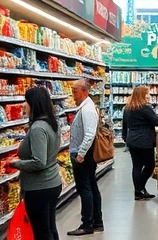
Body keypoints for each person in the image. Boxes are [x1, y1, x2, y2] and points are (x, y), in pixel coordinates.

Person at [10, 87, 63, 240]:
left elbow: (39, 162)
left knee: (41, 232)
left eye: (26, 101)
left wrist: (16, 163)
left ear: (34, 103)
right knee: (50, 228)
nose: (23, 105)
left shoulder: (38, 128)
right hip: (52, 183)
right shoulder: (52, 123)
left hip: (39, 188)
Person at [121, 85, 158, 200]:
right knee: (150, 165)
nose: (149, 96)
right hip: (145, 141)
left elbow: (124, 125)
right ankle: (139, 188)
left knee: (136, 166)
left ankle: (139, 192)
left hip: (132, 141)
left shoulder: (127, 108)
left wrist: (126, 138)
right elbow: (156, 121)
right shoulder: (145, 107)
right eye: (147, 94)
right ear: (142, 95)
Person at [67, 79, 103, 236]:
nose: (73, 94)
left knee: (85, 189)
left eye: (75, 91)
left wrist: (80, 154)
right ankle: (97, 222)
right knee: (92, 187)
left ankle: (87, 224)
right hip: (85, 153)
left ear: (85, 91)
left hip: (83, 155)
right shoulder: (85, 107)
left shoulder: (87, 109)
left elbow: (89, 134)